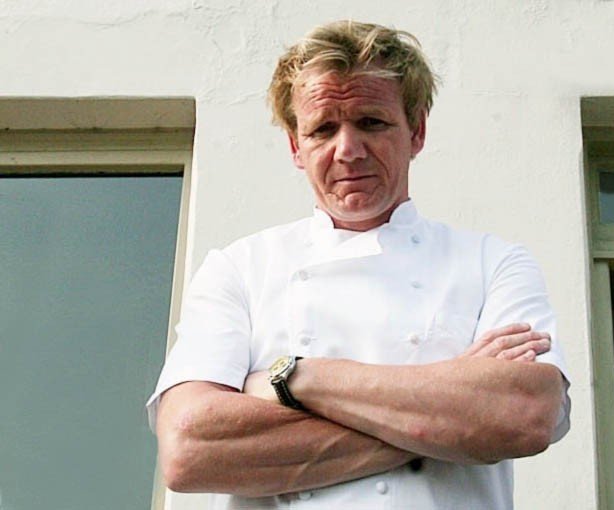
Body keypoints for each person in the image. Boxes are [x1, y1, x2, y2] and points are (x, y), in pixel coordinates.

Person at [148, 20, 571, 510]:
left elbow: (525, 413)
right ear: (296, 147)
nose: (348, 150)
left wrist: (293, 378)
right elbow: (189, 450)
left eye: (371, 122)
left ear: (416, 131)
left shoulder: (493, 262)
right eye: (323, 129)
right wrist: (452, 418)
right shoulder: (239, 270)